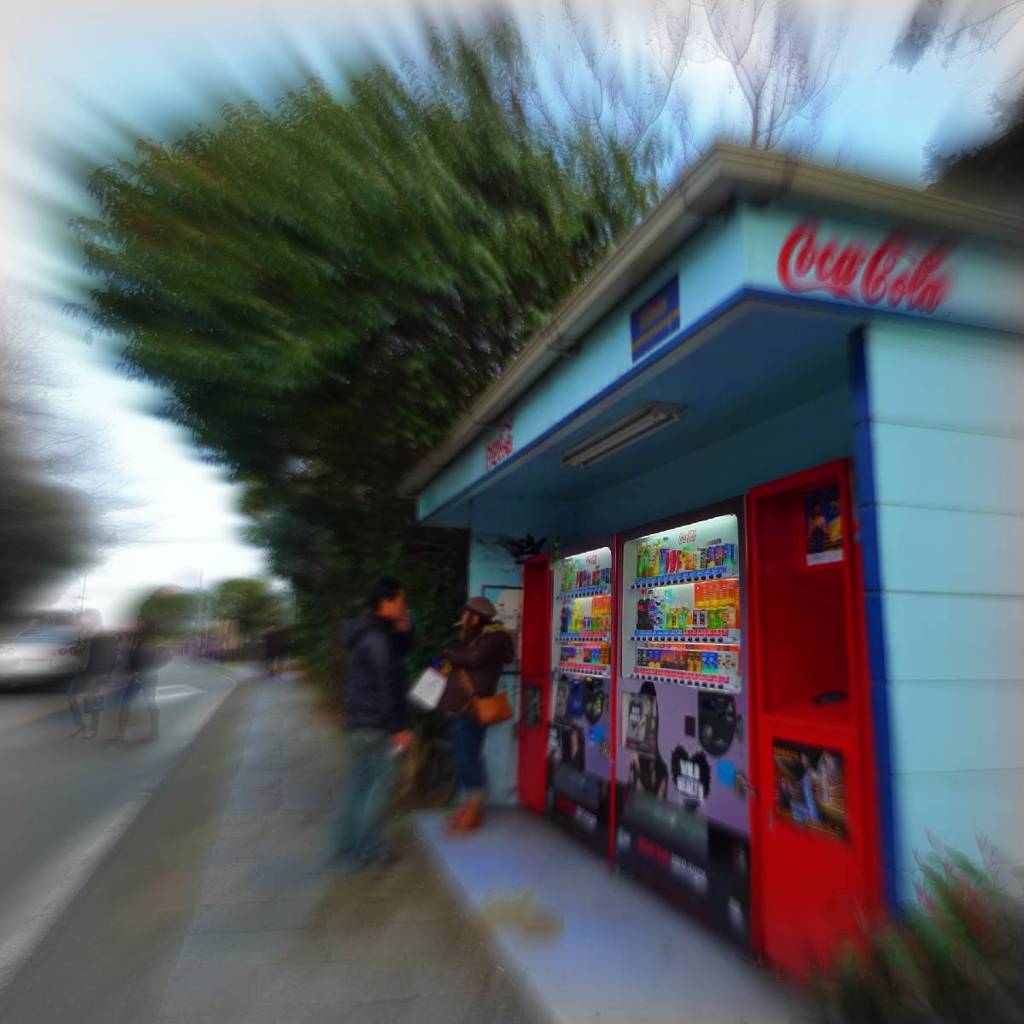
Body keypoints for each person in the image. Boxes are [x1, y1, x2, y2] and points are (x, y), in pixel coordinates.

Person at [335, 577, 414, 868]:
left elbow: (401, 651)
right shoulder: (379, 638)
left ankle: (347, 842)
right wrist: (398, 727)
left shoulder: (367, 631)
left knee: (360, 783)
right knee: (380, 786)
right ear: (388, 601)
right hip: (376, 724)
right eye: (401, 600)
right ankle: (369, 848)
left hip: (358, 720)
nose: (404, 606)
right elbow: (386, 684)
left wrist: (405, 630)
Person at [439, 596, 515, 834]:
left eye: (466, 614)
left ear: (476, 617)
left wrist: (448, 651)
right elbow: (465, 657)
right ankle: (469, 806)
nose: (462, 618)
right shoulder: (475, 639)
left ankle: (474, 809)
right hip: (460, 709)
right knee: (464, 757)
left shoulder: (494, 638)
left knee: (468, 758)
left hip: (470, 710)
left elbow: (472, 659)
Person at [113, 613, 164, 742]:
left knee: (144, 704)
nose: (135, 623)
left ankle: (154, 732)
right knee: (129, 704)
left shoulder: (149, 638)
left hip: (145, 677)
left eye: (137, 621)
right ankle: (121, 735)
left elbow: (153, 657)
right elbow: (131, 657)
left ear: (143, 622)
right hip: (137, 677)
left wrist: (144, 671)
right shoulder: (137, 637)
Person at [68, 625, 118, 738]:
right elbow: (79, 652)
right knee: (71, 697)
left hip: (95, 672)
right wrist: (79, 645)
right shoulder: (83, 634)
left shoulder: (103, 636)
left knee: (93, 699)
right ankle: (80, 725)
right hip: (81, 671)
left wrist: (106, 674)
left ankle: (93, 728)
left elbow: (110, 655)